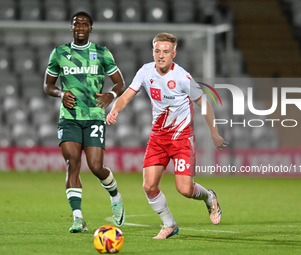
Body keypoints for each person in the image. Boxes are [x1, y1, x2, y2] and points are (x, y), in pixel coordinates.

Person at [106, 32, 228, 239]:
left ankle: (208, 197)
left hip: (182, 140)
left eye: (165, 52)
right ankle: (169, 224)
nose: (161, 55)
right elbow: (126, 95)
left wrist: (214, 134)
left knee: (185, 190)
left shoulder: (182, 77)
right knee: (149, 185)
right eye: (157, 51)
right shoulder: (145, 71)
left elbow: (204, 103)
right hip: (158, 139)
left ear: (174, 54)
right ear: (153, 51)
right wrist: (115, 109)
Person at [43, 11, 126, 233]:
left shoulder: (101, 53)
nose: (80, 26)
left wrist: (110, 95)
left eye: (85, 24)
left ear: (91, 28)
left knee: (96, 166)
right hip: (69, 117)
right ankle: (78, 219)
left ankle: (115, 196)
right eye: (76, 23)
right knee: (72, 163)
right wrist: (60, 94)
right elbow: (48, 85)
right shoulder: (59, 53)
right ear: (71, 27)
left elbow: (120, 83)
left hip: (94, 117)